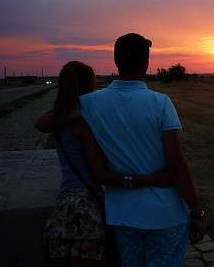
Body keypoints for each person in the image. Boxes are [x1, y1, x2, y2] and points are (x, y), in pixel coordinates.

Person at [78, 33, 207, 267]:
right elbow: (176, 164)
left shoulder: (88, 104)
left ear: (116, 61)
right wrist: (197, 212)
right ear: (146, 63)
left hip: (123, 215)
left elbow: (96, 169)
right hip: (165, 214)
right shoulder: (160, 103)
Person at [36, 60, 171, 266]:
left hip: (64, 205)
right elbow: (100, 174)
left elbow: (40, 123)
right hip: (86, 208)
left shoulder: (60, 116)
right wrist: (147, 179)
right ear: (88, 83)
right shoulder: (83, 122)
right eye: (94, 80)